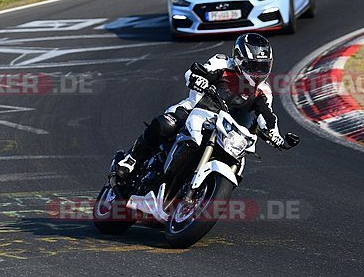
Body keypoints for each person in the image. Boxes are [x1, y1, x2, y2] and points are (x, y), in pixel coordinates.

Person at [116, 33, 285, 182]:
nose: (257, 72)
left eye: (262, 67)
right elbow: (193, 72)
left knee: (238, 161)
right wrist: (197, 79)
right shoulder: (222, 63)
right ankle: (132, 158)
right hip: (195, 109)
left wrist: (275, 135)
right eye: (253, 66)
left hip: (227, 129)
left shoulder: (263, 91)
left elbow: (267, 116)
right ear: (239, 58)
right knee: (166, 124)